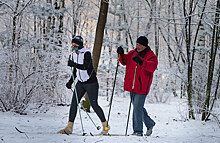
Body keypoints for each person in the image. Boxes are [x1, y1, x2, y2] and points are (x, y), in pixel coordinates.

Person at [57, 36, 110, 135]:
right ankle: (69, 127)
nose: (73, 46)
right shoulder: (74, 54)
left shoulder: (87, 53)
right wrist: (70, 82)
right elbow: (75, 70)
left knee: (94, 105)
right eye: (73, 44)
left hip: (91, 83)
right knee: (73, 103)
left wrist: (73, 64)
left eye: (75, 44)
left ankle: (106, 127)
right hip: (80, 83)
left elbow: (86, 67)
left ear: (80, 44)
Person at [117, 36, 158, 136]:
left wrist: (141, 62)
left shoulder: (151, 56)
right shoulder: (132, 53)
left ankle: (138, 131)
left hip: (142, 86)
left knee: (137, 108)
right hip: (132, 86)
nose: (138, 46)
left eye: (140, 45)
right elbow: (124, 61)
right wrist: (120, 54)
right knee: (137, 108)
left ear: (145, 46)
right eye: (137, 44)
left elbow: (152, 67)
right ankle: (150, 123)